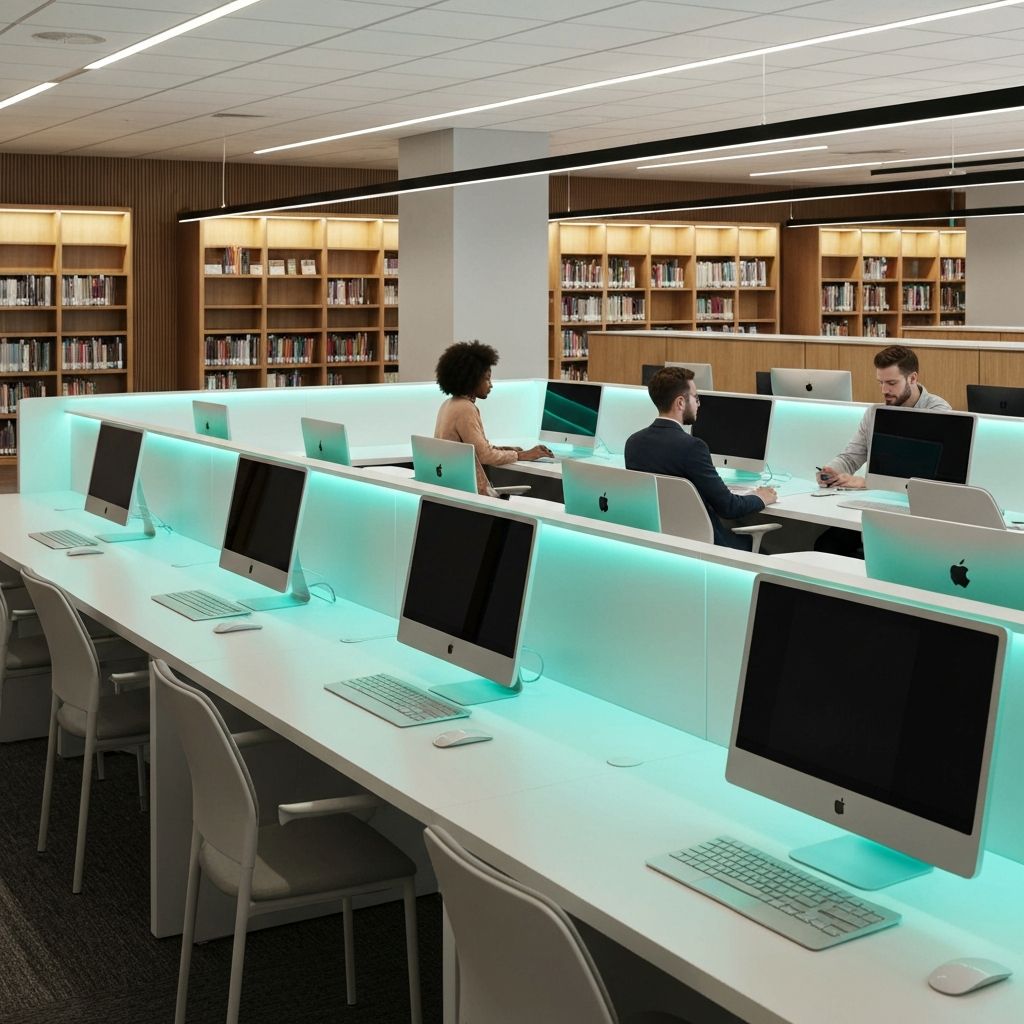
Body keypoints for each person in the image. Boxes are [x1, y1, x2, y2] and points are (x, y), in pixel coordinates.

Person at [624, 365, 777, 550]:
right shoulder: (692, 448)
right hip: (705, 545)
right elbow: (729, 507)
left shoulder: (633, 444)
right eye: (696, 398)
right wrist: (760, 497)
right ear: (680, 403)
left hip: (661, 542)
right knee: (767, 552)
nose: (698, 404)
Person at [816, 344, 951, 490]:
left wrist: (867, 483)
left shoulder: (939, 411)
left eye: (891, 383)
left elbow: (929, 475)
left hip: (919, 502)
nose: (884, 390)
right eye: (881, 382)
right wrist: (830, 472)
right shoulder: (874, 413)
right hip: (876, 499)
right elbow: (850, 458)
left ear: (912, 378)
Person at [434, 340, 551, 496]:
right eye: (487, 379)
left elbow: (476, 449)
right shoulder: (465, 409)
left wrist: (508, 450)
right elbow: (484, 455)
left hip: (453, 489)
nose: (491, 385)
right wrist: (521, 455)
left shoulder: (449, 404)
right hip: (472, 495)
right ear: (472, 379)